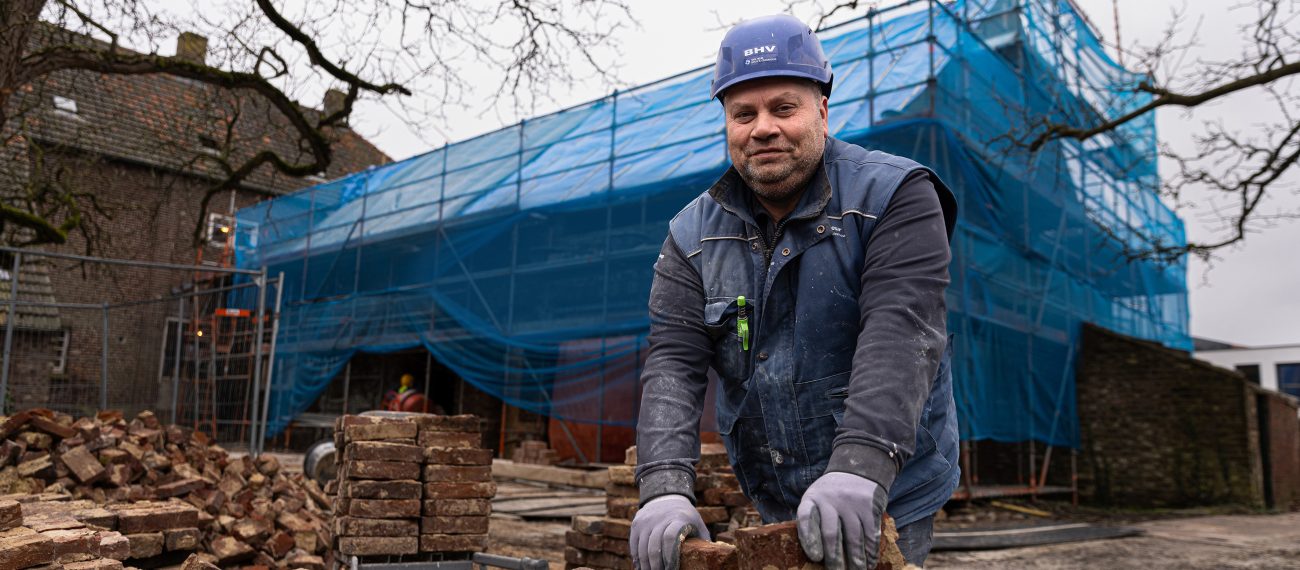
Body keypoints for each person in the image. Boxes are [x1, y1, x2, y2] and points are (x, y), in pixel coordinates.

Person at [630, 14, 960, 570]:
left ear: (822, 112)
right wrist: (663, 485)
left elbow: (899, 331)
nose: (763, 128)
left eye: (784, 108)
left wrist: (861, 464)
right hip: (773, 480)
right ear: (728, 124)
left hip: (889, 484)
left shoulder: (896, 196)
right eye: (744, 113)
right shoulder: (690, 237)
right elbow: (673, 365)